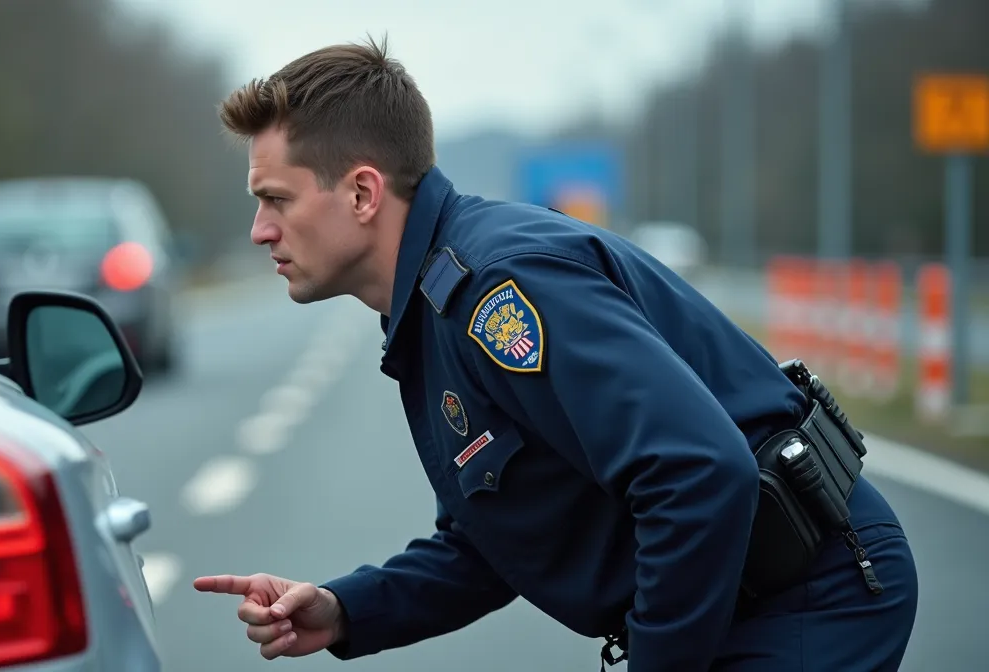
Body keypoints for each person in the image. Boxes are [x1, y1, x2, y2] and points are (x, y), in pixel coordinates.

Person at [192, 36, 919, 672]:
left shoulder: (499, 289)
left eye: (276, 199)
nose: (260, 230)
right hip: (740, 600)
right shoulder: (434, 308)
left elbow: (698, 472)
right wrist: (345, 609)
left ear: (361, 194)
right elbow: (491, 545)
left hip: (810, 592)